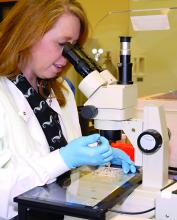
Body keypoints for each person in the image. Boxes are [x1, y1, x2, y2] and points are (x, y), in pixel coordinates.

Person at [0, 0, 136, 219]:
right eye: (62, 44)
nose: (67, 58)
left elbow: (68, 170)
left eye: (74, 48)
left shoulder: (61, 89)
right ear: (27, 34)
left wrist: (99, 160)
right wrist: (63, 158)